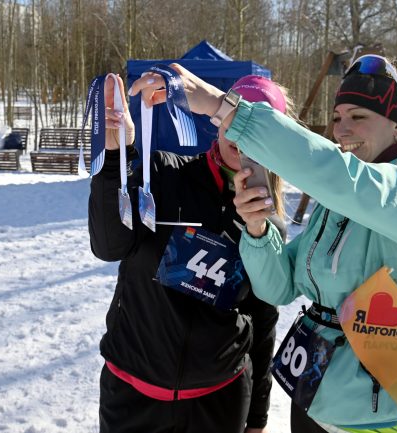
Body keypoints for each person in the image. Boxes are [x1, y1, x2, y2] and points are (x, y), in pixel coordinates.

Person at [131, 55, 397, 433]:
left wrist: (223, 108)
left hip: (388, 414)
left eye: (359, 117)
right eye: (337, 119)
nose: (342, 131)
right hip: (315, 399)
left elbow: (347, 180)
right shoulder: (337, 202)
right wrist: (256, 229)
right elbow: (279, 286)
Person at [89, 73, 295, 433]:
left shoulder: (266, 226)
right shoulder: (163, 175)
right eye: (235, 120)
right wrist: (115, 159)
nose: (241, 135)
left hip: (218, 402)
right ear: (218, 121)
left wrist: (258, 417)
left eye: (256, 125)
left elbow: (263, 323)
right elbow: (109, 246)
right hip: (133, 396)